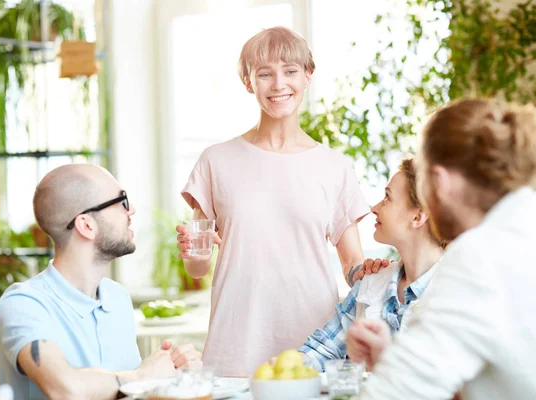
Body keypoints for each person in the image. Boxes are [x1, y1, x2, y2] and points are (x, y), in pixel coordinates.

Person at [175, 26, 387, 377]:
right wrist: (194, 253)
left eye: (290, 72)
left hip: (315, 349)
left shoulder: (335, 167)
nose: (278, 84)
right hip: (235, 347)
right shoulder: (216, 161)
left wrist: (370, 273)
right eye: (264, 74)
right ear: (248, 82)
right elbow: (197, 268)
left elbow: (352, 265)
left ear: (307, 76)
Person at [346, 99, 536, 399]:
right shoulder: (522, 228)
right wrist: (391, 359)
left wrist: (399, 372)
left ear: (440, 181)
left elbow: (395, 394)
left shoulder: (479, 256)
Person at [0, 164, 202, 400]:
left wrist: (173, 371)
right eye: (122, 201)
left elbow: (121, 389)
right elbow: (65, 389)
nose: (131, 210)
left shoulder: (117, 297)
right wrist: (144, 375)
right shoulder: (23, 304)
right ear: (86, 225)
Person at [299, 157, 445, 371]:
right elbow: (325, 348)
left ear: (418, 216)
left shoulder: (457, 292)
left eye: (387, 198)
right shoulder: (372, 282)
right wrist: (285, 371)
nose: (374, 208)